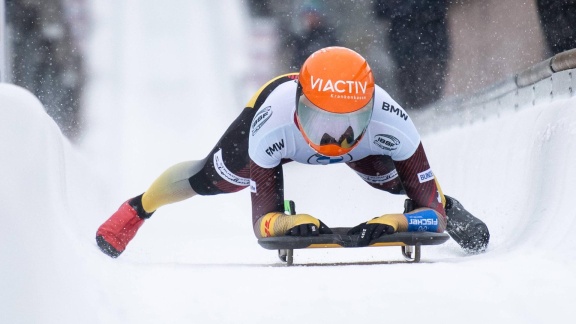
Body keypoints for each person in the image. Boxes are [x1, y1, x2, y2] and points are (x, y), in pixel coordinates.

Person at [96, 47, 489, 258]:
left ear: (372, 108)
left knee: (397, 185)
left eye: (349, 122)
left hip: (344, 140)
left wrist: (405, 219)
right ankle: (138, 208)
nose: (335, 139)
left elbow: (428, 216)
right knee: (211, 179)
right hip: (277, 120)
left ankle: (450, 205)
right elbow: (262, 221)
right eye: (322, 121)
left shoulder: (393, 122)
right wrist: (283, 222)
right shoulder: (271, 125)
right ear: (300, 104)